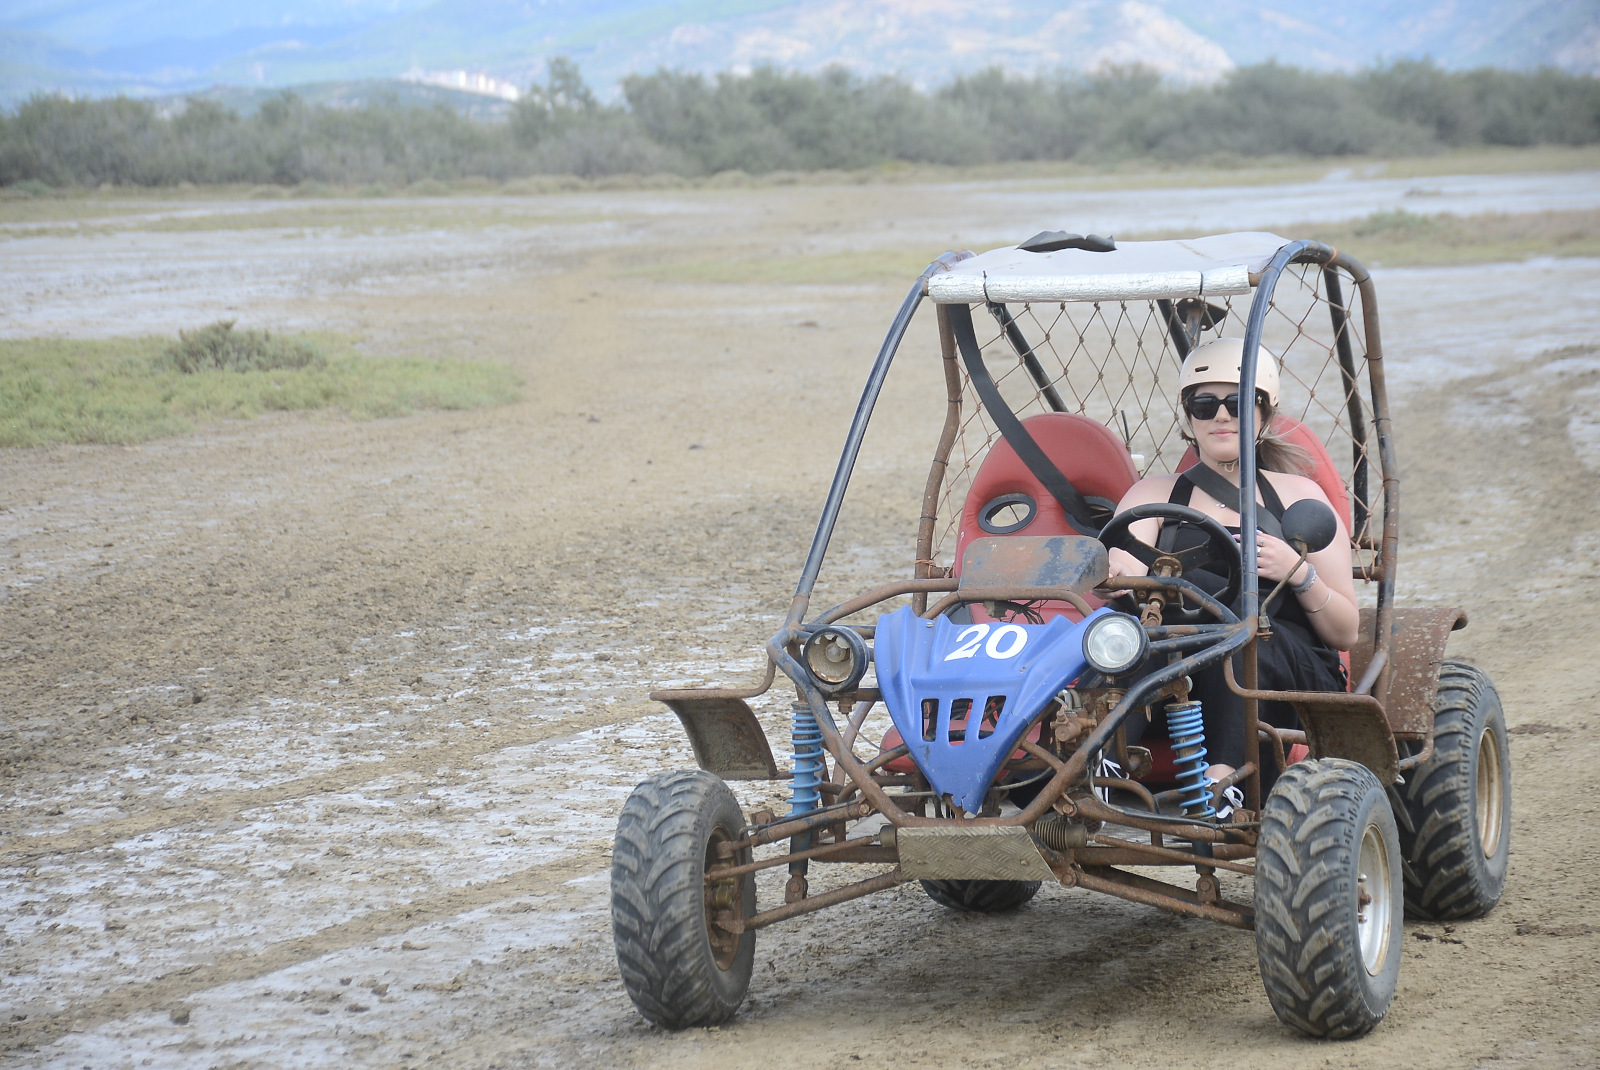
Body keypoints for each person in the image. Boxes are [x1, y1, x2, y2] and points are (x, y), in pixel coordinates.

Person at [1107, 337, 1359, 789]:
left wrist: (1298, 573)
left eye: (1240, 402)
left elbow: (1345, 632)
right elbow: (1123, 569)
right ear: (1188, 415)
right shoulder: (1154, 495)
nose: (1222, 415)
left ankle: (1224, 783)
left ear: (1265, 411)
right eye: (1204, 404)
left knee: (1243, 632)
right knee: (1128, 631)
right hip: (1180, 653)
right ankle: (1103, 764)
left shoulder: (1299, 496)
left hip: (1279, 659)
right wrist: (1120, 579)